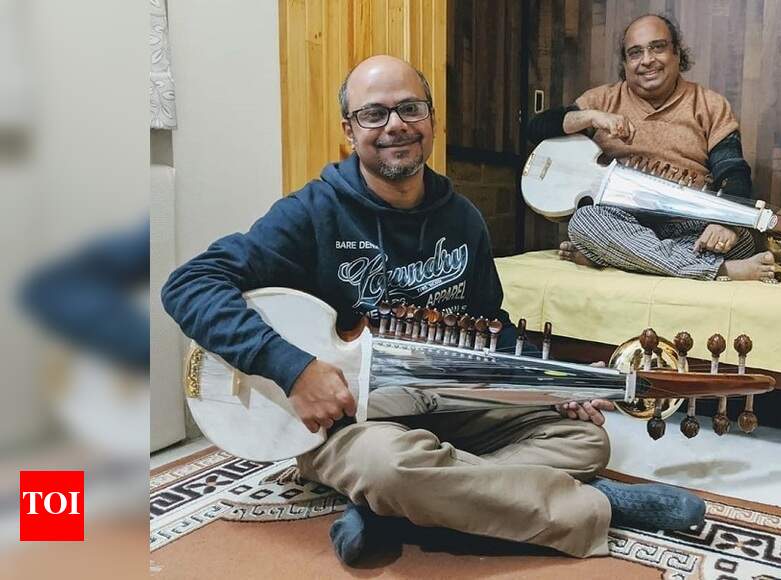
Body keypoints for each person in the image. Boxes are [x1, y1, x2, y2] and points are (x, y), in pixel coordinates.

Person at [161, 55, 704, 565]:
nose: (394, 124)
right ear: (350, 130)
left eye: (409, 108)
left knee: (585, 440)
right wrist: (293, 369)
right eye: (373, 113)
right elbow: (188, 285)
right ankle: (596, 506)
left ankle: (399, 510)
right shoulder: (312, 212)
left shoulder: (462, 218)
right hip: (354, 420)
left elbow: (492, 326)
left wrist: (549, 383)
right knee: (388, 465)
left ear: (431, 120)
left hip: (448, 401)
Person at [528, 14, 777, 282]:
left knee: (743, 242)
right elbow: (535, 129)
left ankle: (613, 257)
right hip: (621, 217)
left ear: (677, 53)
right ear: (625, 63)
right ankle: (717, 270)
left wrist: (724, 223)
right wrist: (590, 117)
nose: (647, 60)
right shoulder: (602, 99)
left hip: (689, 221)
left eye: (657, 47)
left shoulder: (709, 104)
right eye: (635, 53)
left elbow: (733, 171)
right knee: (585, 222)